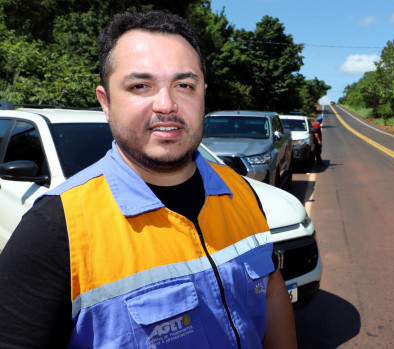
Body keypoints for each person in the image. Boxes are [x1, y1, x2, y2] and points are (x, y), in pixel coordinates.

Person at [0, 10, 296, 349]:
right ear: (105, 102)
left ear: (203, 95)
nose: (166, 104)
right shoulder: (56, 228)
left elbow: (270, 287)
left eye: (184, 85)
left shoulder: (240, 191)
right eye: (140, 86)